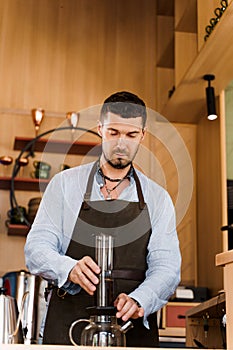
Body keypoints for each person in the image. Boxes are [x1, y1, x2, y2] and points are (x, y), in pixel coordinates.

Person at [24, 91, 181, 347]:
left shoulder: (158, 198)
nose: (121, 143)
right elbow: (36, 249)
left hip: (131, 330)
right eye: (113, 132)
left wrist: (140, 299)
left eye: (131, 135)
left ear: (142, 135)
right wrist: (69, 268)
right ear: (100, 130)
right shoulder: (64, 185)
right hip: (68, 326)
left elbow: (167, 267)